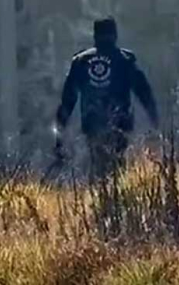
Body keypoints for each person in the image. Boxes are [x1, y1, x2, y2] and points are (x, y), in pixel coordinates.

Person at [54, 17, 159, 180]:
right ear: (115, 34)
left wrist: (60, 135)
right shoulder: (125, 60)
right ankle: (115, 192)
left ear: (95, 35)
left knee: (98, 165)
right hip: (120, 124)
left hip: (92, 123)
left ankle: (101, 190)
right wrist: (155, 121)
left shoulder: (81, 61)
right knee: (117, 167)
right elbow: (144, 93)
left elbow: (68, 100)